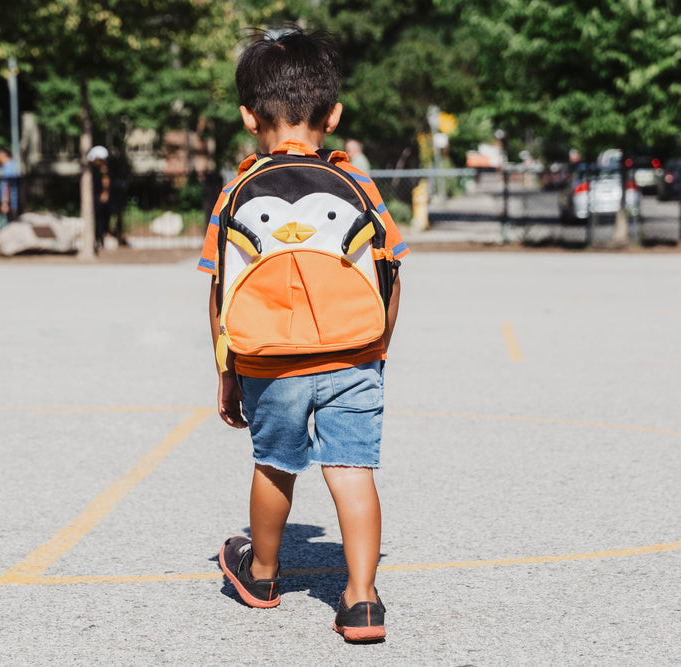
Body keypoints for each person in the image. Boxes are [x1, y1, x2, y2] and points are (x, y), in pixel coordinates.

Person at [198, 28, 407, 642]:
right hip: (355, 353)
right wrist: (378, 348)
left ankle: (261, 574)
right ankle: (363, 600)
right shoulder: (360, 186)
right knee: (353, 470)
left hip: (268, 360)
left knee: (274, 464)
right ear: (334, 115)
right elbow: (391, 276)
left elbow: (218, 294)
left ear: (246, 116)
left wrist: (226, 371)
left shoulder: (234, 193)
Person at [87, 145, 113, 251]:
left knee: (100, 220)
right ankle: (98, 239)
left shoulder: (103, 169)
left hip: (99, 198)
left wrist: (105, 193)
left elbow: (105, 181)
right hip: (96, 196)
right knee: (98, 220)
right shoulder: (97, 169)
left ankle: (100, 240)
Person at [0, 148, 18, 225]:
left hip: (10, 203)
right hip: (12, 202)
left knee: (9, 225)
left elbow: (7, 184)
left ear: (3, 155)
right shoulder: (12, 165)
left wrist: (5, 202)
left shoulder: (8, 167)